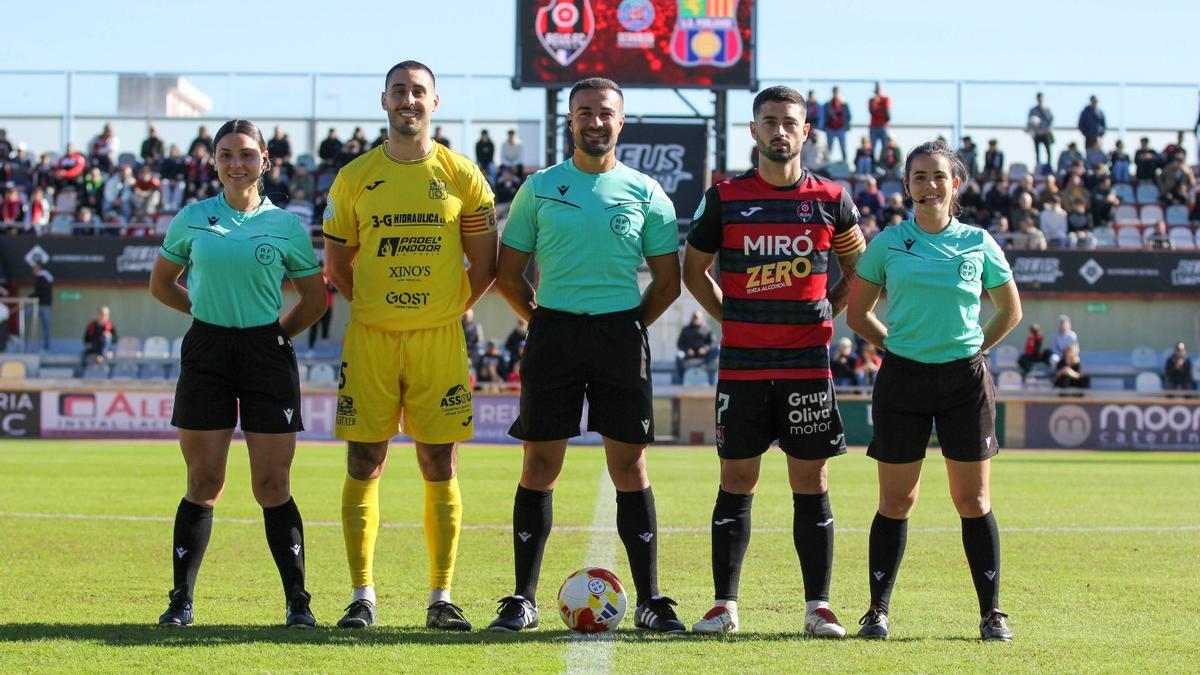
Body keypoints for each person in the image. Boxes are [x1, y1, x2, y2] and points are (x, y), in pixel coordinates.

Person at [490, 77, 682, 633]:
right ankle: (521, 599)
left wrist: (626, 328)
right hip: (553, 335)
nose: (595, 122)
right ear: (570, 121)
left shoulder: (647, 192)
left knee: (630, 465)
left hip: (620, 337)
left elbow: (666, 283)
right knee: (540, 465)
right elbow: (508, 275)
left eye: (605, 113)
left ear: (621, 122)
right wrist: (546, 323)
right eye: (585, 113)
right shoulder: (540, 187)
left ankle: (650, 600)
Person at [683, 85, 865, 637]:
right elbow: (694, 272)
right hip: (742, 363)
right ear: (753, 130)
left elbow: (860, 273)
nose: (780, 130)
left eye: (790, 121)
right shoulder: (724, 197)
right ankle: (724, 605)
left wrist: (825, 311)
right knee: (736, 478)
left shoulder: (832, 198)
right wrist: (731, 317)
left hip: (807, 363)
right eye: (769, 121)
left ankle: (819, 607)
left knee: (811, 481)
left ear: (806, 131)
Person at [321, 60, 498, 632]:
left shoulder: (463, 175)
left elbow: (486, 265)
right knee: (364, 460)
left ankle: (441, 596)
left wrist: (442, 309)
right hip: (370, 340)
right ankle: (361, 596)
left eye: (417, 91)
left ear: (434, 102)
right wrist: (377, 307)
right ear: (384, 100)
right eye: (399, 91)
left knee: (439, 461)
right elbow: (337, 265)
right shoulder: (353, 178)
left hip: (439, 342)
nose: (408, 100)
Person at [149, 118, 327, 629]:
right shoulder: (192, 218)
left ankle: (298, 602)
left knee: (272, 481)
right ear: (213, 162)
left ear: (265, 160)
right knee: (203, 479)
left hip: (265, 351)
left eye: (246, 154)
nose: (235, 163)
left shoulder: (287, 225)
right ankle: (180, 601)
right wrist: (204, 314)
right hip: (207, 350)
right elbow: (162, 284)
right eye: (225, 154)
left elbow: (314, 300)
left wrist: (275, 337)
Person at [847, 139, 1023, 641]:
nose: (929, 185)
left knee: (973, 500)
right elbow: (858, 315)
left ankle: (992, 614)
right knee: (896, 501)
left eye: (938, 176)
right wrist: (897, 348)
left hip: (964, 382)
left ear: (956, 184)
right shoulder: (886, 244)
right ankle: (877, 610)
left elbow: (1010, 311)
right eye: (919, 177)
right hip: (903, 380)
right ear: (906, 186)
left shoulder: (979, 242)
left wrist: (974, 351)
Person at [674, 310, 717, 385]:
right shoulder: (686, 329)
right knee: (678, 356)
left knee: (718, 349)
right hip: (689, 354)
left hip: (704, 355)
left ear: (702, 318)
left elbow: (713, 343)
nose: (696, 319)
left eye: (698, 318)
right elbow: (679, 344)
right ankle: (681, 380)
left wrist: (706, 349)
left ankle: (703, 363)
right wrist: (687, 350)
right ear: (692, 318)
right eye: (695, 318)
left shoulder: (707, 329)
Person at [26, 262, 54, 351]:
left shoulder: (42, 278)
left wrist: (29, 296)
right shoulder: (45, 278)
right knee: (45, 326)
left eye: (34, 269)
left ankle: (46, 347)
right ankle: (45, 346)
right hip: (43, 305)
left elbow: (40, 292)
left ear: (38, 269)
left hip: (43, 305)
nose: (33, 271)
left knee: (45, 326)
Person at [306, 273, 336, 351]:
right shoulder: (315, 278)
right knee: (314, 328)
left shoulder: (329, 278)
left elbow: (334, 290)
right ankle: (311, 349)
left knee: (325, 328)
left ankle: (324, 350)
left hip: (328, 307)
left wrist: (328, 285)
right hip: (316, 307)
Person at [823, 87, 851, 162]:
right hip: (830, 128)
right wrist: (825, 126)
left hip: (841, 128)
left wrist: (846, 125)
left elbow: (848, 116)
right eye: (834, 92)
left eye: (837, 92)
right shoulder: (828, 104)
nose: (836, 94)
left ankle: (845, 161)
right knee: (829, 147)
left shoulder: (844, 104)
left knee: (843, 146)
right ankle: (827, 162)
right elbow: (824, 115)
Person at [1026, 93, 1054, 168]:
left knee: (1048, 151)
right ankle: (1038, 166)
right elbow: (1030, 122)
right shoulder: (1033, 110)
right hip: (1037, 134)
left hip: (1046, 133)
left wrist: (1044, 130)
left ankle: (1048, 165)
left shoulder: (1048, 110)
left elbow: (1050, 122)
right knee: (1037, 151)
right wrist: (1035, 131)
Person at [867, 82, 891, 162]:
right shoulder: (871, 100)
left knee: (885, 146)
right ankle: (873, 163)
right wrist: (876, 103)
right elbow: (872, 111)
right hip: (873, 126)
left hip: (883, 126)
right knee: (872, 146)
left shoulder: (886, 99)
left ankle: (883, 162)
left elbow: (886, 110)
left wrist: (879, 106)